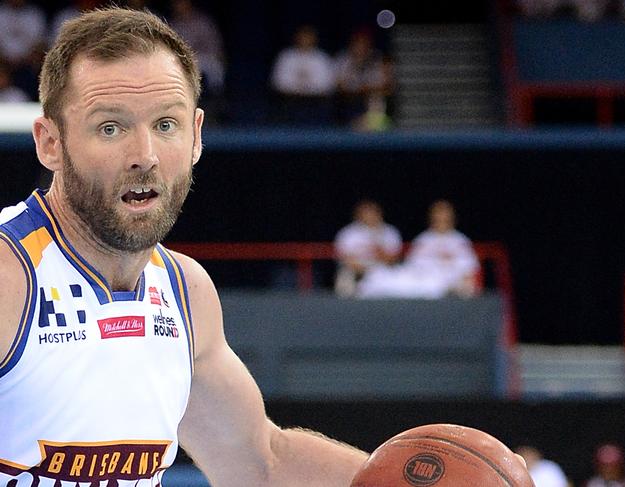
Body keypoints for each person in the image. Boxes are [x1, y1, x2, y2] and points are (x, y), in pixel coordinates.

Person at [0, 7, 368, 486]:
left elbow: (262, 461)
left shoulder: (184, 292)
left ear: (196, 136)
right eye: (111, 127)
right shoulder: (11, 279)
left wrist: (412, 477)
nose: (144, 156)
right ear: (50, 143)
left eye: (165, 125)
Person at [357, 200, 480, 299]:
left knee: (432, 286)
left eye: (444, 215)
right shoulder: (423, 239)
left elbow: (469, 271)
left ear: (452, 218)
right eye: (437, 215)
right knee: (380, 275)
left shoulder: (460, 241)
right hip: (420, 279)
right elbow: (411, 266)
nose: (440, 218)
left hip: (444, 284)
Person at [333, 200, 402, 297]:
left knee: (396, 275)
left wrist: (378, 247)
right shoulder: (348, 233)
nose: (369, 216)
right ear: (358, 215)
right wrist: (365, 269)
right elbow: (345, 259)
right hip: (358, 269)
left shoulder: (389, 231)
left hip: (382, 268)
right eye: (366, 213)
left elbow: (393, 258)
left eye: (372, 212)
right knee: (345, 277)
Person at [270, 24, 336, 125]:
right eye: (303, 37)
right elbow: (278, 83)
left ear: (314, 39)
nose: (305, 40)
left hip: (316, 102)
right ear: (296, 38)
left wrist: (307, 89)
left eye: (308, 37)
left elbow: (327, 85)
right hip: (290, 101)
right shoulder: (286, 56)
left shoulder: (322, 58)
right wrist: (299, 89)